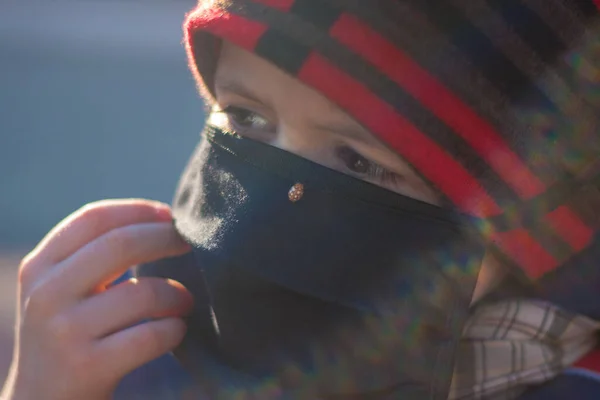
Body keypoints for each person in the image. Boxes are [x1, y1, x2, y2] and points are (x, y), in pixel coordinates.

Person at [3, 0, 600, 399]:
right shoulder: (135, 350)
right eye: (246, 117)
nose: (270, 200)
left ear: (526, 221)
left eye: (359, 160)